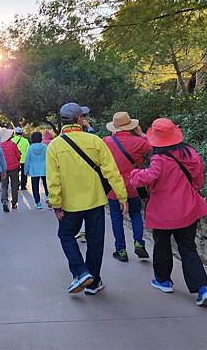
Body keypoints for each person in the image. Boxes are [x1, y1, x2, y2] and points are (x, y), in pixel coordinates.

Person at [130, 118, 207, 307]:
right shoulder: (190, 153)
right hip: (188, 209)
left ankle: (163, 280)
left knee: (162, 245)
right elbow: (198, 182)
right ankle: (203, 289)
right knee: (188, 248)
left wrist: (134, 175)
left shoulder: (158, 159)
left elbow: (147, 177)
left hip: (163, 212)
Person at [47, 102, 128, 295]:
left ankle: (81, 271)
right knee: (95, 241)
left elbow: (53, 180)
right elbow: (111, 171)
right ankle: (93, 282)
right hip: (95, 201)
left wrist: (56, 204)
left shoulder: (54, 146)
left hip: (69, 204)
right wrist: (121, 195)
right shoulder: (95, 141)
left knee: (66, 236)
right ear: (80, 119)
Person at [103, 112, 152, 262]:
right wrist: (142, 133)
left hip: (114, 186)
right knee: (136, 214)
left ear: (115, 127)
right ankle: (138, 242)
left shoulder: (106, 141)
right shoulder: (139, 142)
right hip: (134, 184)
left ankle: (121, 250)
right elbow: (153, 148)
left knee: (117, 218)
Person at [0, 128, 21, 212]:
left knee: (4, 185)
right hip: (14, 168)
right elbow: (18, 156)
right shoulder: (13, 144)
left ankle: (4, 200)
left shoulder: (0, 146)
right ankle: (14, 203)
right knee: (14, 185)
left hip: (4, 169)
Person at [24, 131, 48, 210]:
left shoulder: (30, 147)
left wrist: (25, 170)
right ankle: (48, 197)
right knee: (46, 184)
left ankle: (38, 203)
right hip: (44, 168)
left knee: (35, 186)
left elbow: (27, 159)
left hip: (34, 169)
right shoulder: (45, 147)